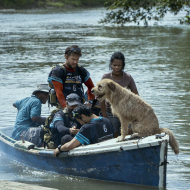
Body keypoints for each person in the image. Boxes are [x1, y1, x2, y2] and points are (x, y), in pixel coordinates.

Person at [100, 52, 139, 138]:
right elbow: (100, 98)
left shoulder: (128, 77)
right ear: (111, 65)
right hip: (110, 111)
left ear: (123, 65)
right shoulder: (106, 77)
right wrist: (104, 115)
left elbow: (136, 96)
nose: (117, 68)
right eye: (114, 65)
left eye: (119, 65)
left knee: (130, 131)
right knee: (114, 132)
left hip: (126, 111)